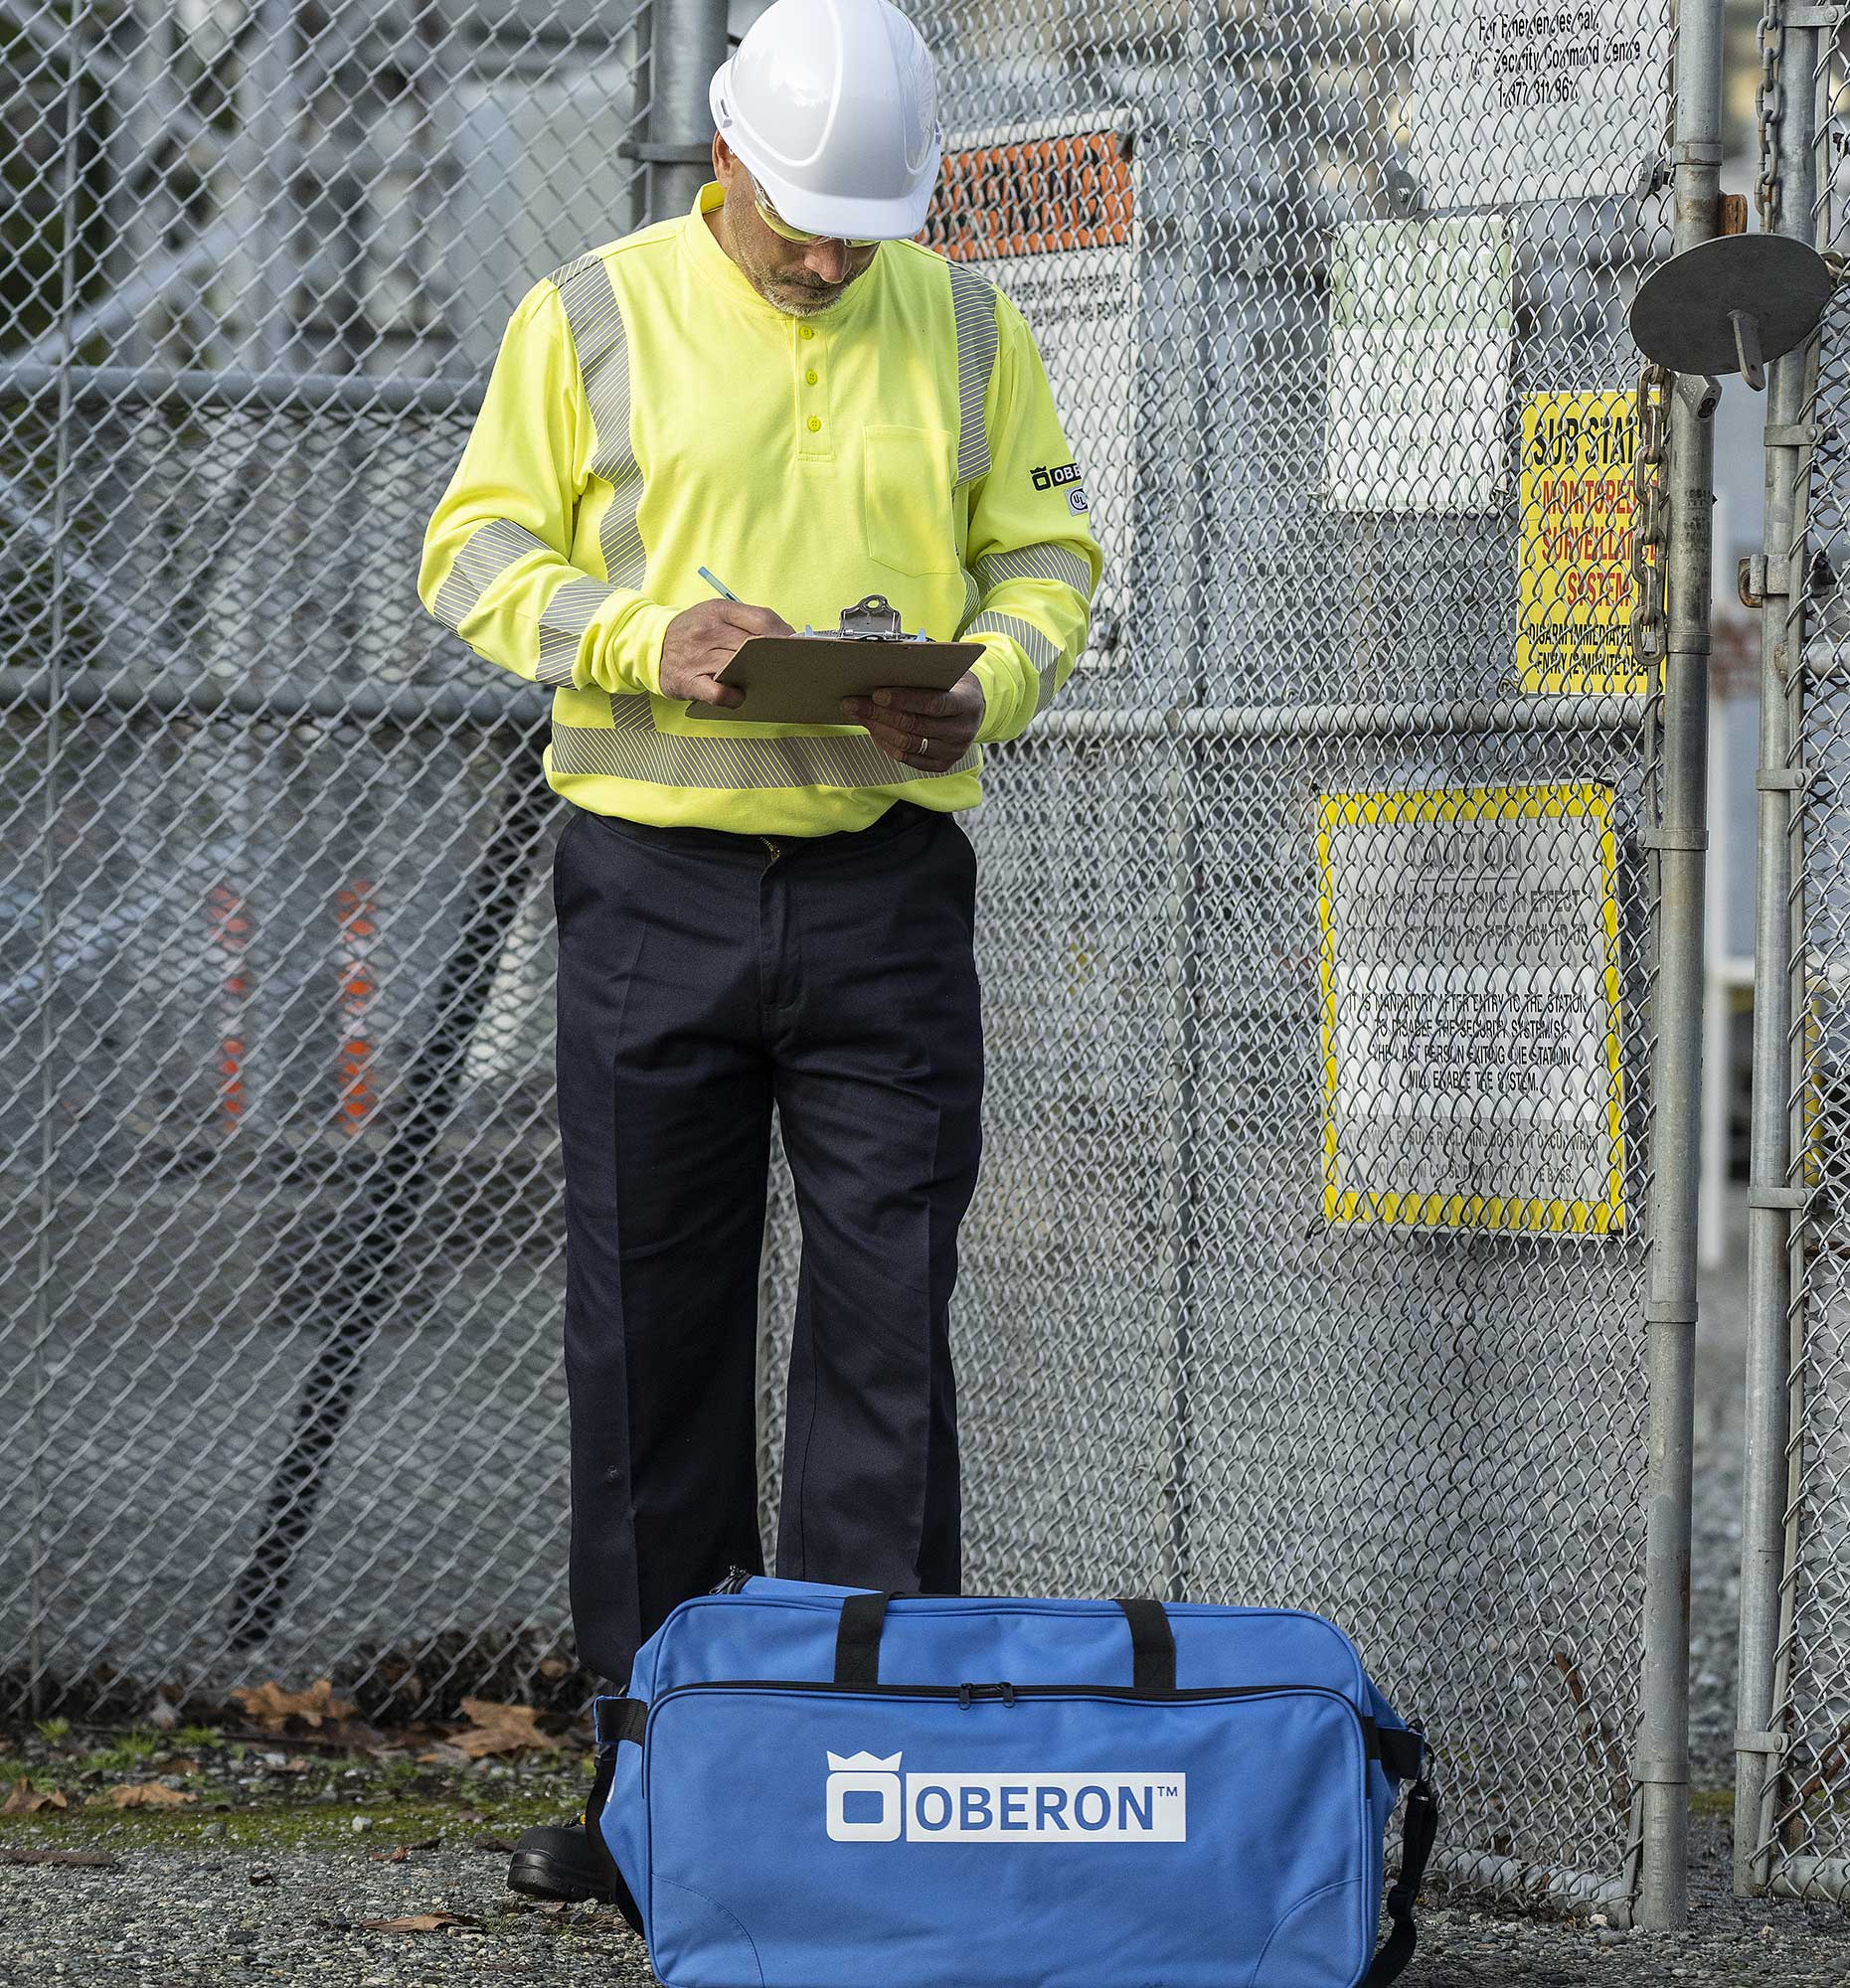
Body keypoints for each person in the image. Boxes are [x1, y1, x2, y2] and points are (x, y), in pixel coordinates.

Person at [417, 0, 1100, 1905]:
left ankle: (866, 1785)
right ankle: (660, 1802)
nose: (827, 255)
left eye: (860, 224)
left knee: (888, 1337)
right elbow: (469, 557)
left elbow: (1050, 562)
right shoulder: (589, 316)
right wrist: (650, 639)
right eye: (804, 215)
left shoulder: (965, 322)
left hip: (886, 896)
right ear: (722, 155)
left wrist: (997, 689)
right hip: (651, 887)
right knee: (650, 1340)